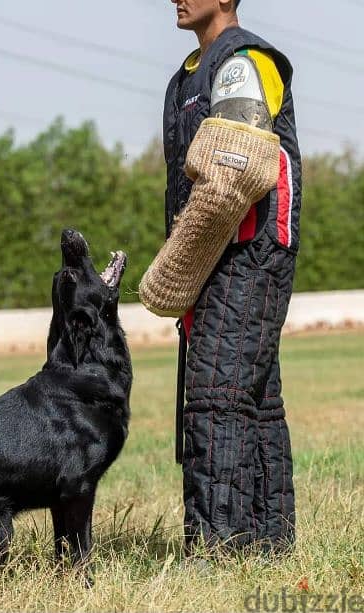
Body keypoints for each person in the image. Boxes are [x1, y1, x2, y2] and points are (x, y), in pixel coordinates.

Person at [139, 0, 301, 555]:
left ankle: (218, 550)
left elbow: (233, 180)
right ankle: (269, 545)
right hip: (215, 254)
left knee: (215, 398)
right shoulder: (184, 78)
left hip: (248, 251)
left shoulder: (244, 61)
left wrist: (173, 270)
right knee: (253, 398)